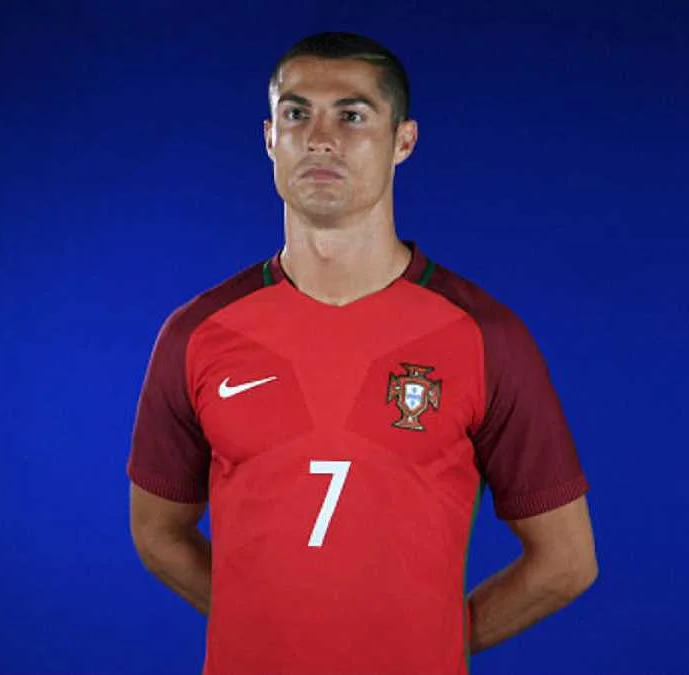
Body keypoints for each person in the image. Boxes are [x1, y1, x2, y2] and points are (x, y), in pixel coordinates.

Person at [127, 31, 598, 675]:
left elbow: (567, 562)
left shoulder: (486, 337)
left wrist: (430, 642)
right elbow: (156, 532)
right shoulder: (196, 334)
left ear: (403, 140)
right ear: (269, 138)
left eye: (351, 116)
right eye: (297, 114)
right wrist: (265, 627)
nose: (320, 138)